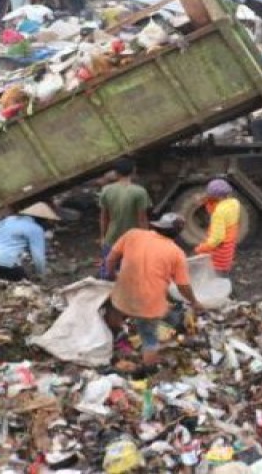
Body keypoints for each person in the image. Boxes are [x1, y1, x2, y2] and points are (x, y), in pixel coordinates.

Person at [104, 213, 203, 376]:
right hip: (148, 305)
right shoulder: (176, 252)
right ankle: (148, 371)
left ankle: (112, 341)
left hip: (122, 296)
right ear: (177, 232)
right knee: (149, 337)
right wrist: (194, 301)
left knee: (113, 310)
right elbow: (183, 286)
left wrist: (112, 276)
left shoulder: (133, 234)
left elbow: (110, 259)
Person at [98, 158, 151, 279]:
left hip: (112, 239)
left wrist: (103, 237)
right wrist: (146, 239)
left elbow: (103, 217)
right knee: (132, 275)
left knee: (108, 273)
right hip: (133, 241)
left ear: (115, 173)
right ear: (133, 171)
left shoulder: (106, 190)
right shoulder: (140, 192)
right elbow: (142, 219)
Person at [0, 202, 57, 282]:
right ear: (42, 220)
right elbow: (38, 256)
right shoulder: (36, 229)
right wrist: (41, 273)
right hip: (5, 259)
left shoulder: (9, 219)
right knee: (24, 285)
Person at [195, 179, 240, 274]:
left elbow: (217, 238)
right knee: (225, 267)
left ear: (215, 196)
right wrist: (207, 200)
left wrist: (202, 248)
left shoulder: (218, 213)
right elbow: (215, 206)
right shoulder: (234, 203)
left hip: (220, 248)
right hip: (229, 243)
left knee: (216, 271)